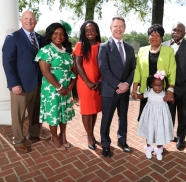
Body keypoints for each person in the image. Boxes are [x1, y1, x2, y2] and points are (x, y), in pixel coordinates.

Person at [2, 11, 43, 153]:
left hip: (37, 82)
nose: (29, 21)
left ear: (36, 22)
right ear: (21, 20)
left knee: (35, 111)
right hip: (20, 83)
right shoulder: (13, 38)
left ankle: (34, 134)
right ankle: (18, 140)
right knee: (18, 114)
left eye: (32, 19)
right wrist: (13, 83)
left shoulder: (39, 38)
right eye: (26, 18)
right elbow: (8, 62)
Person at [98, 16, 136, 157]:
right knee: (106, 118)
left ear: (124, 29)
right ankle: (105, 144)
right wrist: (118, 84)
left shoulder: (130, 48)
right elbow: (104, 70)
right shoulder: (104, 47)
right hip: (109, 90)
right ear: (110, 28)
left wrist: (126, 84)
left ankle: (122, 141)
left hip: (124, 91)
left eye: (121, 26)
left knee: (123, 118)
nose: (118, 29)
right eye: (116, 26)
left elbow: (133, 68)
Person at [35, 22, 76, 151]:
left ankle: (63, 135)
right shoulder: (46, 50)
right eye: (56, 33)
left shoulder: (67, 51)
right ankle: (54, 137)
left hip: (66, 88)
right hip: (52, 89)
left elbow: (72, 70)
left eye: (62, 34)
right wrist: (59, 87)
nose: (59, 36)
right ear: (50, 35)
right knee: (54, 113)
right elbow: (45, 71)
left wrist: (70, 86)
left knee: (64, 113)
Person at [162, 22, 186, 150]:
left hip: (184, 88)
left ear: (184, 33)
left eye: (180, 30)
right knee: (168, 114)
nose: (176, 32)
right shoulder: (163, 45)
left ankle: (181, 138)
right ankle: (170, 135)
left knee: (183, 115)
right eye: (174, 29)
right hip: (168, 88)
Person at [131, 24, 176, 121]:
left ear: (161, 38)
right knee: (147, 120)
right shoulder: (142, 50)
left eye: (158, 35)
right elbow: (138, 70)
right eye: (152, 35)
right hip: (146, 92)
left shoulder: (169, 51)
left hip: (162, 92)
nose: (154, 38)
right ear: (148, 37)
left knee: (161, 121)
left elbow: (172, 71)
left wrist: (170, 90)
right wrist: (134, 89)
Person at [74, 20, 102, 150]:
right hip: (85, 83)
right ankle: (89, 136)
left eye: (92, 30)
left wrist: (99, 81)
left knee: (94, 109)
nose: (89, 32)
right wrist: (88, 82)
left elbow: (103, 65)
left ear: (96, 32)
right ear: (83, 33)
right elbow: (77, 65)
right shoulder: (80, 45)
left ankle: (91, 132)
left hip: (97, 82)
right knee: (86, 110)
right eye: (87, 30)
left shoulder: (101, 46)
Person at [136, 71, 174, 161]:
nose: (158, 88)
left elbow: (172, 101)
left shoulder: (165, 93)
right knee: (150, 131)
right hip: (150, 117)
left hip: (161, 118)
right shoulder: (148, 92)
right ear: (151, 85)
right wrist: (137, 95)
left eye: (160, 85)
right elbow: (142, 96)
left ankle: (159, 150)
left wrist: (171, 99)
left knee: (160, 133)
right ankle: (149, 149)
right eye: (156, 86)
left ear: (163, 85)